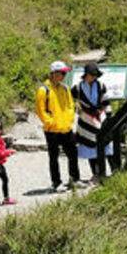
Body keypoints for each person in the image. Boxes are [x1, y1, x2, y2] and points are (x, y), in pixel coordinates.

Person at [35, 60, 78, 191]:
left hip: (66, 128)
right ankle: (56, 182)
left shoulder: (65, 88)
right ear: (53, 73)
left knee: (73, 154)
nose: (64, 76)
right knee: (54, 157)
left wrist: (70, 119)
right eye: (62, 73)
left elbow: (71, 105)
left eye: (65, 73)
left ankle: (74, 179)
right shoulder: (43, 90)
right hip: (52, 130)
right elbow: (40, 110)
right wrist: (50, 122)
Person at [73, 63, 111, 182]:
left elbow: (106, 101)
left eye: (95, 75)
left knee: (104, 146)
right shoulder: (77, 88)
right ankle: (95, 173)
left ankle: (103, 172)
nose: (94, 77)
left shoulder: (101, 85)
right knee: (90, 147)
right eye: (92, 75)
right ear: (86, 75)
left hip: (99, 118)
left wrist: (107, 115)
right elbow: (71, 102)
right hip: (85, 120)